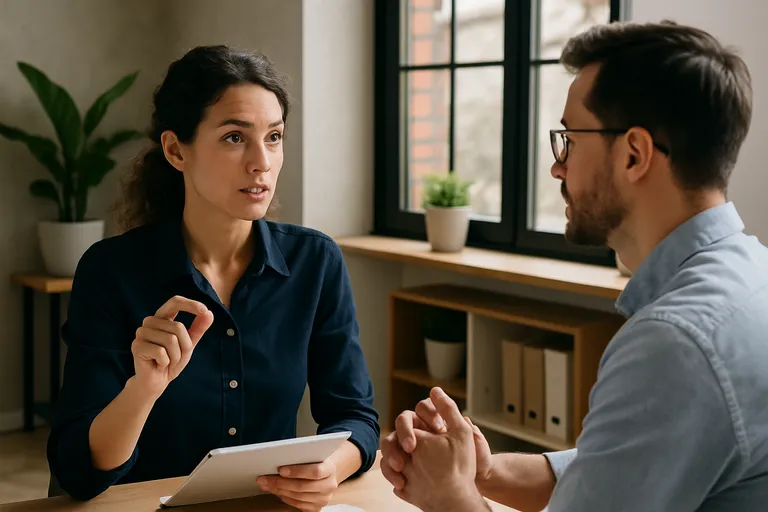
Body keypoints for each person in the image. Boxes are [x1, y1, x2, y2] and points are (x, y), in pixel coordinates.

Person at [381, 20, 768, 512]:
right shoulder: (751, 276)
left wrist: (450, 497)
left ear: (634, 155)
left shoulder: (676, 342)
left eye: (570, 140)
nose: (556, 166)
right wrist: (482, 471)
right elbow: (620, 467)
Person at [46, 45, 380, 511]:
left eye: (274, 137)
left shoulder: (315, 261)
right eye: (234, 137)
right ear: (175, 150)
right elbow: (77, 472)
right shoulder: (110, 271)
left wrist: (331, 469)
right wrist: (144, 389)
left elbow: (355, 416)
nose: (261, 162)